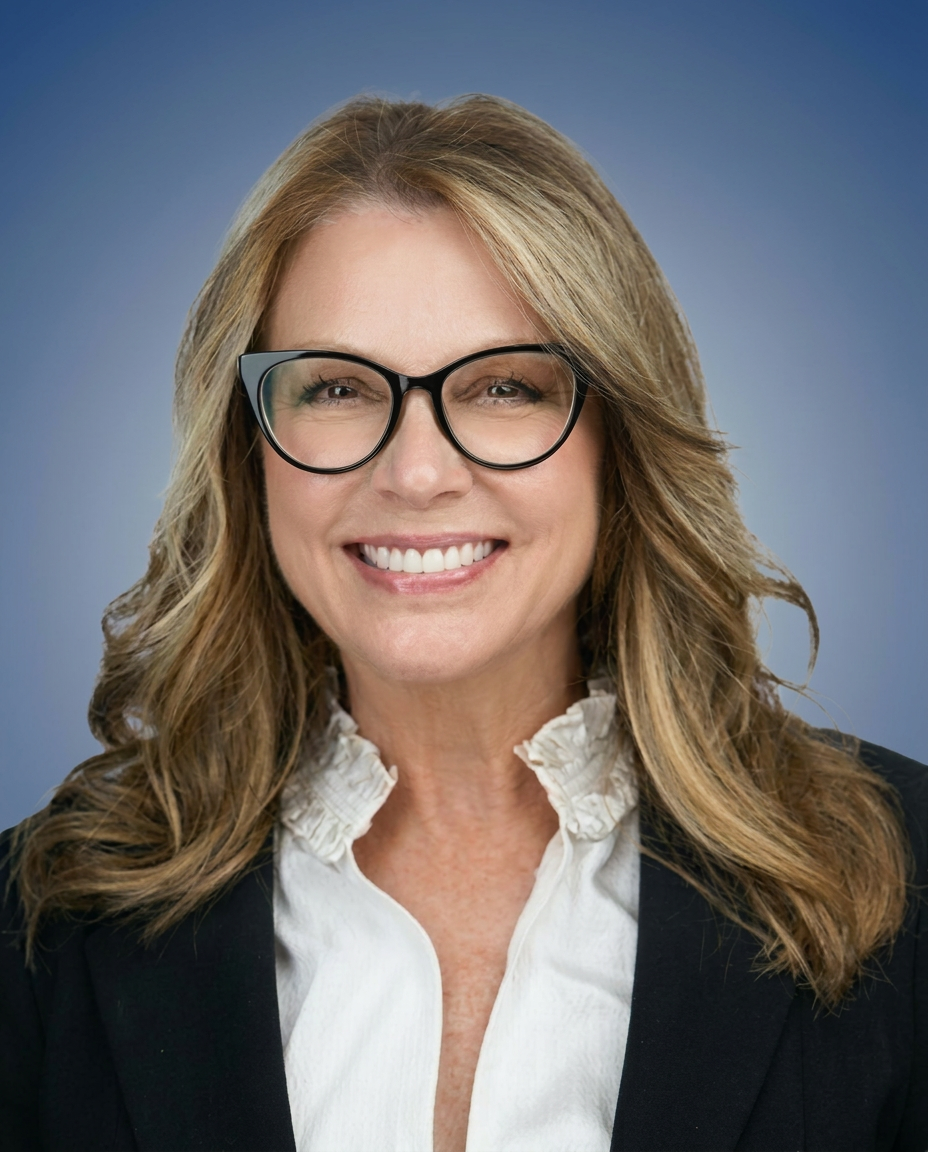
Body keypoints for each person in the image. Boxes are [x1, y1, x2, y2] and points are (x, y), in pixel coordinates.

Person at [1, 95, 925, 1152]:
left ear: (618, 439)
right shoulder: (42, 928)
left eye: (502, 387)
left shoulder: (905, 876)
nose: (417, 473)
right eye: (337, 388)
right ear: (245, 451)